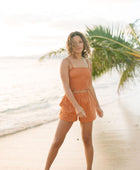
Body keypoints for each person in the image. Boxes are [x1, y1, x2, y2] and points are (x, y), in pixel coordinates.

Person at [44, 31, 103, 170]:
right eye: (74, 42)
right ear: (70, 45)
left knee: (87, 140)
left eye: (80, 42)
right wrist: (76, 106)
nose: (78, 45)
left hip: (87, 101)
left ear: (84, 43)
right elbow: (66, 87)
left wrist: (98, 106)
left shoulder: (88, 62)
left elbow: (90, 86)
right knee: (57, 141)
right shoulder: (66, 62)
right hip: (71, 102)